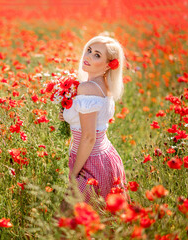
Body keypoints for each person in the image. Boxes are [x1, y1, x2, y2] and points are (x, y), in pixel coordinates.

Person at [59, 35, 131, 207]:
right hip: (106, 157)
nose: (88, 56)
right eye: (89, 51)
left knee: (69, 218)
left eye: (97, 55)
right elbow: (95, 123)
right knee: (101, 222)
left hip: (89, 163)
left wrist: (73, 176)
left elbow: (89, 137)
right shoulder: (105, 85)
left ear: (108, 65)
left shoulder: (87, 88)